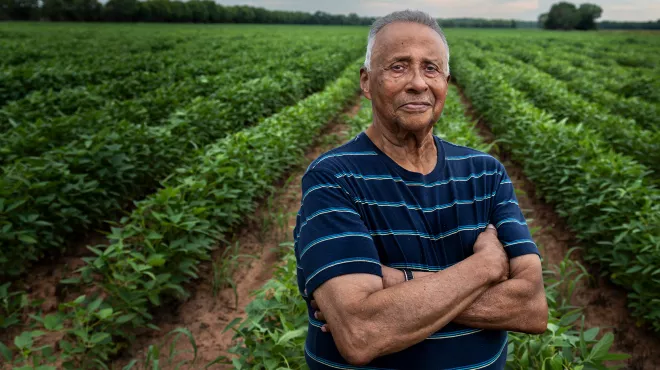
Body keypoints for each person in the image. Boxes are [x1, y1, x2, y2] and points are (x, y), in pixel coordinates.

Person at [293, 9, 548, 369]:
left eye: (431, 68)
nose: (418, 82)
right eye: (398, 66)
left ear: (446, 82)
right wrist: (485, 268)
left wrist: (398, 282)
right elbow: (362, 331)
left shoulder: (485, 173)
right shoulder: (333, 177)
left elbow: (531, 307)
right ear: (366, 82)